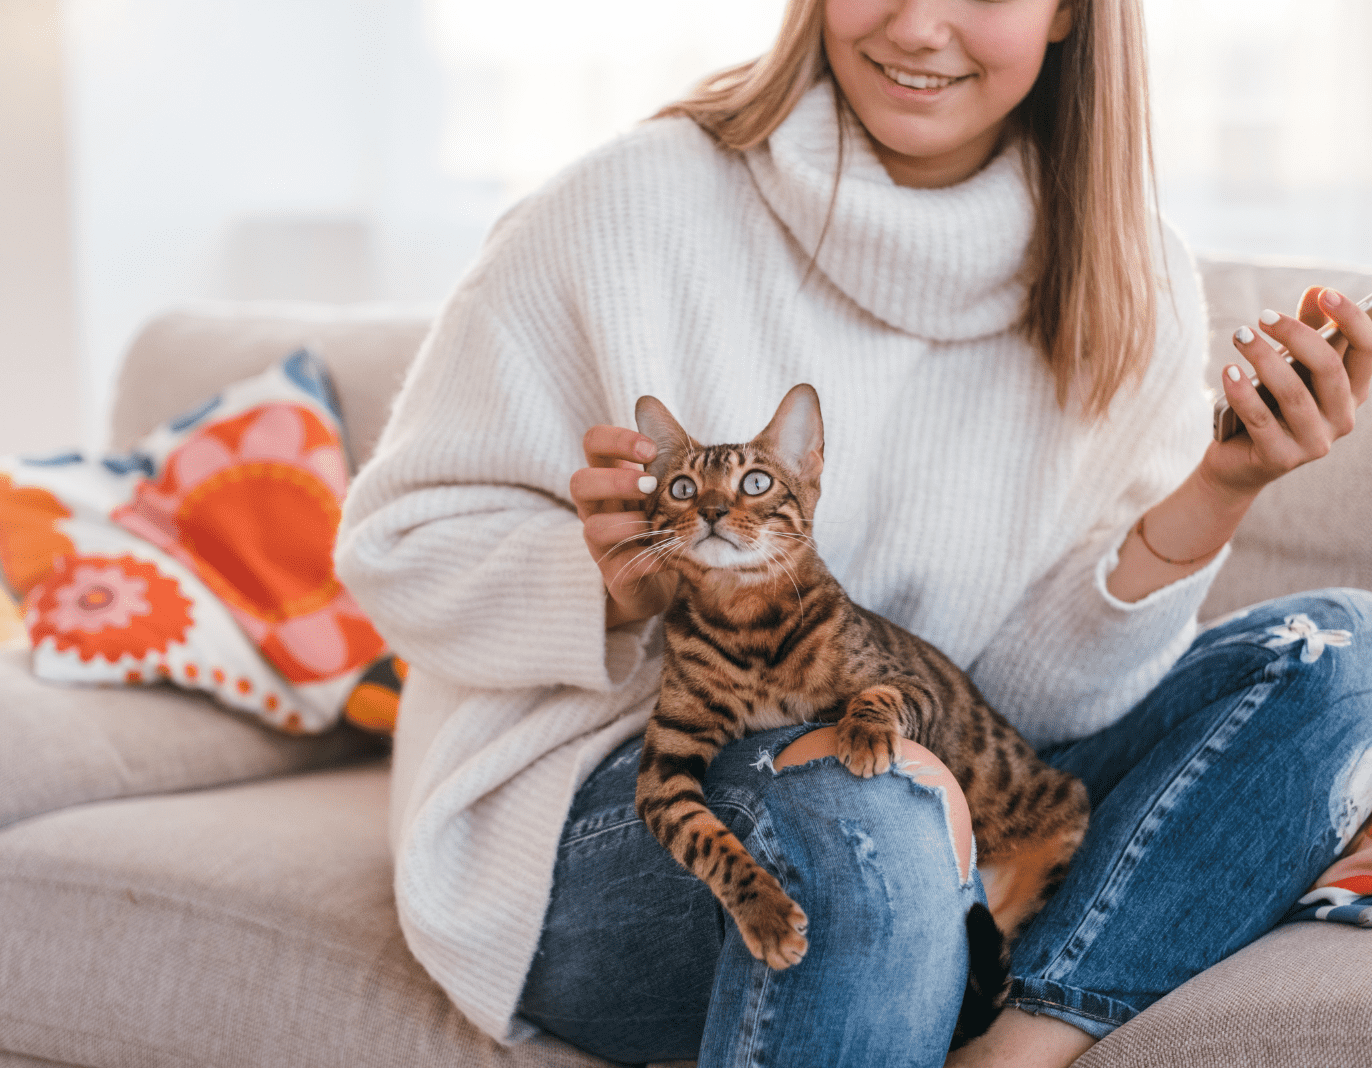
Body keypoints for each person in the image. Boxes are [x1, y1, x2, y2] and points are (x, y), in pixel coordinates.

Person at [334, 0, 1372, 1064]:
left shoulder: (1132, 279)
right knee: (866, 808)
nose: (920, 26)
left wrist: (1225, 481)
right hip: (615, 819)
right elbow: (396, 550)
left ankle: (1019, 1042)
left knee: (1343, 650)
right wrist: (614, 585)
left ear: (1069, 13)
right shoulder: (625, 205)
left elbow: (1042, 703)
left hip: (951, 770)